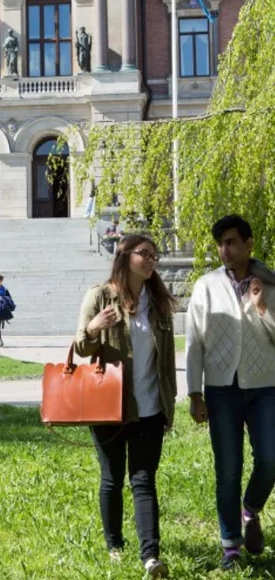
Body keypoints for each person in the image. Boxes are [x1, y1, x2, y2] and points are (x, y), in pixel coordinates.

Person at [75, 234, 177, 578]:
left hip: (150, 408)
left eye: (154, 255)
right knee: (112, 478)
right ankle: (115, 545)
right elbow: (80, 348)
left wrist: (169, 406)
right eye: (143, 254)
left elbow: (166, 362)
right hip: (110, 407)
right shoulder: (100, 295)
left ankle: (150, 556)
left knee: (144, 480)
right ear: (125, 256)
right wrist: (94, 327)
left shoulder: (159, 301)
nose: (151, 260)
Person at [186, 215, 275, 570]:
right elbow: (194, 341)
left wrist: (261, 306)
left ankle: (250, 509)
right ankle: (230, 547)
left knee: (270, 459)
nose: (225, 250)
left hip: (266, 385)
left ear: (249, 244)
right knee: (228, 469)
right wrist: (194, 392)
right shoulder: (205, 286)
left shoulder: (268, 281)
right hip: (222, 389)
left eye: (233, 242)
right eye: (221, 243)